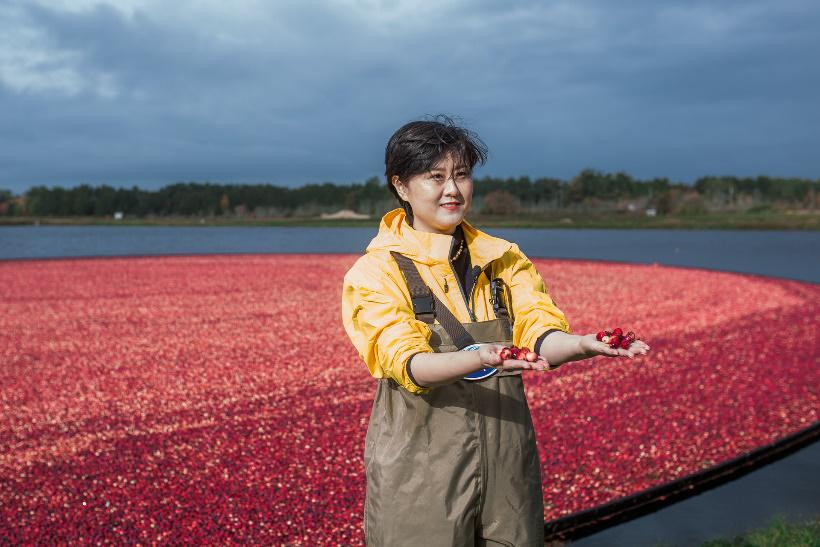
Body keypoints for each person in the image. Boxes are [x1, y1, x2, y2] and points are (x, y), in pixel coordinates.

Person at [341, 116, 650, 546]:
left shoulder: (503, 261)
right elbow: (407, 363)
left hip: (506, 460)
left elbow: (540, 334)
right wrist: (481, 356)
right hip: (421, 470)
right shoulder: (376, 272)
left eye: (462, 175)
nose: (453, 190)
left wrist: (584, 344)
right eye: (436, 177)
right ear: (400, 185)